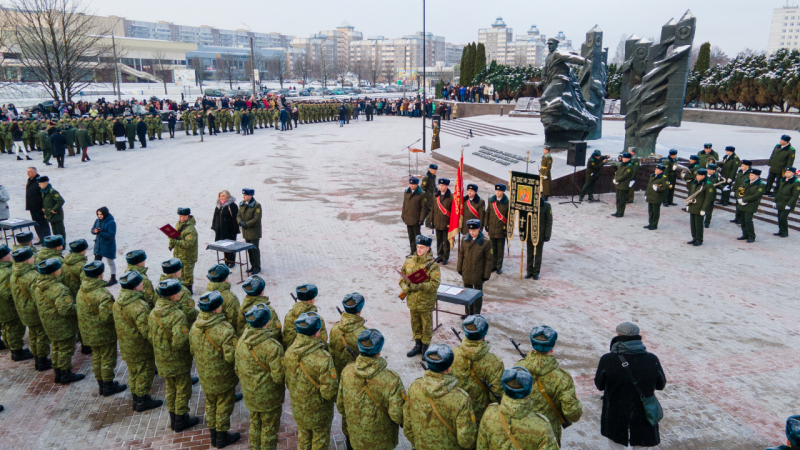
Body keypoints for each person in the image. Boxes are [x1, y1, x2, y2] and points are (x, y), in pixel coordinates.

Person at [594, 322, 666, 449]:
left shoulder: (607, 360)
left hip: (616, 411)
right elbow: (660, 385)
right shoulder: (652, 359)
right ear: (638, 337)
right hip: (643, 412)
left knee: (616, 444)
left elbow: (600, 385)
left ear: (618, 336)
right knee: (642, 443)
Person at [337, 328, 406, 450]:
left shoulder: (347, 371)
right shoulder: (392, 379)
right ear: (379, 352)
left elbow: (340, 405)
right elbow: (398, 415)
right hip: (382, 441)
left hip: (356, 437)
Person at [516, 325, 583, 446]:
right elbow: (573, 414)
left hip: (520, 431)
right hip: (548, 434)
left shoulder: (519, 367)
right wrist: (577, 403)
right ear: (551, 348)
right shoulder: (562, 377)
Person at [190, 291, 241, 448]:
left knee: (211, 404)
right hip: (223, 377)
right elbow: (231, 357)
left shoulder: (195, 327)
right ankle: (222, 437)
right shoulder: (225, 329)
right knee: (224, 406)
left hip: (205, 376)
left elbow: (192, 350)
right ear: (217, 309)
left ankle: (213, 435)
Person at [404, 343, 478, 450]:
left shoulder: (414, 387)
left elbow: (407, 425)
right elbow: (466, 441)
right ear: (448, 369)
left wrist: (418, 444)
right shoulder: (461, 399)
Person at [149, 278, 200, 433]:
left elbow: (150, 335)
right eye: (178, 292)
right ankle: (181, 419)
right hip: (177, 360)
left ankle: (173, 418)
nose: (180, 293)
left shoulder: (154, 312)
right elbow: (180, 342)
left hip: (161, 358)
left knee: (170, 387)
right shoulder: (177, 315)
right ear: (173, 296)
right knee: (183, 388)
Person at [285, 312, 339, 450]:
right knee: (319, 442)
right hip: (319, 413)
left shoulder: (289, 352)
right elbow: (329, 393)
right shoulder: (323, 358)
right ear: (316, 334)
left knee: (304, 439)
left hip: (298, 408)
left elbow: (288, 381)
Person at [235, 304, 285, 450]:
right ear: (267, 322)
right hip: (269, 398)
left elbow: (237, 368)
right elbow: (279, 377)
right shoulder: (273, 347)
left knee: (255, 425)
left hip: (250, 394)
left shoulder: (241, 341)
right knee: (269, 430)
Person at [476, 367, 559, 450]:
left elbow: (481, 447)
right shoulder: (543, 426)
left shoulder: (489, 413)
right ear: (528, 390)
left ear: (504, 387)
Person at [114, 270, 163, 412]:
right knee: (144, 373)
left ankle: (135, 397)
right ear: (136, 287)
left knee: (133, 372)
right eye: (140, 282)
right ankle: (142, 400)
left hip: (126, 345)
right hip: (140, 347)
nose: (143, 284)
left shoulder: (118, 302)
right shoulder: (140, 307)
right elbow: (147, 331)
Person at [77, 260, 127, 397]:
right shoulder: (103, 294)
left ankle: (101, 384)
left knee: (97, 358)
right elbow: (108, 317)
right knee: (107, 359)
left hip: (88, 332)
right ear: (101, 275)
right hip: (103, 334)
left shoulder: (82, 290)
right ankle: (108, 385)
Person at [34, 258, 84, 384]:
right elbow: (66, 310)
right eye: (58, 268)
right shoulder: (59, 289)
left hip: (49, 323)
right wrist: (80, 307)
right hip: (62, 325)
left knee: (56, 347)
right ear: (54, 272)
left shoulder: (39, 286)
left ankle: (58, 373)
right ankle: (65, 374)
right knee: (65, 349)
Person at [450, 315, 503, 423]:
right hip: (481, 415)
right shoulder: (495, 363)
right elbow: (496, 396)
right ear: (484, 335)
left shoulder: (453, 354)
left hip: (457, 410)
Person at [400, 235, 441, 357]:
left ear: (428, 248)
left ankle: (425, 347)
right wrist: (404, 287)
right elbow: (402, 278)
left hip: (425, 302)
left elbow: (435, 284)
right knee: (415, 323)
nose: (419, 249)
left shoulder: (433, 265)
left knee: (426, 326)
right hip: (412, 301)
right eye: (417, 247)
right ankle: (417, 345)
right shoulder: (409, 260)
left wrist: (420, 285)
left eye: (422, 247)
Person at [11, 247, 51, 370]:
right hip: (34, 311)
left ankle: (37, 358)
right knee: (41, 335)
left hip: (23, 311)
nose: (34, 258)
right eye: (32, 257)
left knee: (33, 335)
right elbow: (38, 297)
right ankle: (42, 361)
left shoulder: (14, 274)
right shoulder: (33, 276)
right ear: (27, 260)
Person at [1, 244, 34, 362]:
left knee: (6, 328)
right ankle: (17, 352)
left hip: (2, 307)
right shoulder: (6, 272)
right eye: (8, 254)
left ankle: (11, 347)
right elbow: (7, 293)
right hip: (8, 308)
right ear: (2, 258)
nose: (10, 255)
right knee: (14, 329)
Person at [457, 220, 492, 314]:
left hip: (478, 272)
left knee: (477, 294)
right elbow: (461, 254)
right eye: (470, 230)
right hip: (467, 270)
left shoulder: (486, 242)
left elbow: (489, 260)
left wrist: (486, 275)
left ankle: (476, 314)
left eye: (474, 231)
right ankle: (468, 312)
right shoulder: (464, 239)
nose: (471, 233)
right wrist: (459, 268)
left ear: (479, 229)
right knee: (466, 293)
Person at [329, 292, 367, 378]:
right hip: (354, 376)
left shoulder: (335, 328)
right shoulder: (364, 333)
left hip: (337, 372)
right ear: (360, 310)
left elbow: (331, 351)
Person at [283, 284, 328, 350]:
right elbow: (323, 342)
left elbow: (285, 337)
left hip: (291, 351)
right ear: (311, 300)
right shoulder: (317, 319)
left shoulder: (288, 315)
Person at [204, 263, 245, 337]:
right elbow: (234, 321)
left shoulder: (204, 294)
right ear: (225, 279)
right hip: (223, 335)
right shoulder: (231, 298)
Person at [159, 258, 199, 327]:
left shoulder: (160, 287)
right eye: (180, 270)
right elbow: (190, 313)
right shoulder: (182, 290)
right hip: (179, 324)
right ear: (176, 273)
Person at [169, 207, 198, 293]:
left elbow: (188, 244)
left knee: (187, 275)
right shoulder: (179, 224)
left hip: (188, 256)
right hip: (179, 254)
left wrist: (176, 242)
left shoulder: (191, 230)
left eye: (181, 216)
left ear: (187, 216)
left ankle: (189, 291)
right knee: (179, 274)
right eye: (179, 216)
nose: (179, 218)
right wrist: (171, 242)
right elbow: (174, 235)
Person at [525, 197, 552, 280]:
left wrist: (547, 235)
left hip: (540, 233)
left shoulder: (546, 205)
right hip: (529, 232)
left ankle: (536, 272)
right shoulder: (528, 204)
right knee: (529, 253)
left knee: (538, 254)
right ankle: (529, 271)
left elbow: (549, 221)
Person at [236, 188, 262, 275]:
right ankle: (252, 266)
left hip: (254, 231)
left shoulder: (256, 206)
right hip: (246, 231)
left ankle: (257, 267)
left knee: (254, 250)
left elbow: (256, 219)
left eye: (245, 195)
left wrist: (246, 224)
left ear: (250, 196)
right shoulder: (242, 204)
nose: (243, 196)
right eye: (243, 195)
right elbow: (238, 215)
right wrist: (240, 222)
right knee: (249, 250)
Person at [737, 168, 766, 243]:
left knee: (748, 221)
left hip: (751, 205)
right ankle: (745, 234)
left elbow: (756, 195)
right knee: (742, 220)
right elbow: (740, 189)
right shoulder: (747, 181)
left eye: (752, 175)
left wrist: (744, 200)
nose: (750, 176)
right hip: (742, 204)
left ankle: (751, 236)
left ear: (757, 176)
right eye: (750, 174)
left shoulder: (761, 184)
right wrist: (739, 198)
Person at [212, 190, 240, 267]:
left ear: (227, 196)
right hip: (221, 229)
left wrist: (235, 229)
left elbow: (235, 218)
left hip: (230, 230)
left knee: (230, 245)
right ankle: (226, 260)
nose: (221, 197)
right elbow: (215, 216)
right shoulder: (219, 205)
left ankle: (232, 261)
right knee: (224, 245)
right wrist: (214, 226)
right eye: (220, 196)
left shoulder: (232, 206)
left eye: (223, 196)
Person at [486, 184, 509, 274]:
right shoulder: (491, 201)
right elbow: (488, 213)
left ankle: (499, 266)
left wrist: (508, 229)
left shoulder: (507, 202)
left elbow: (509, 217)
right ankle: (493, 265)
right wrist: (486, 224)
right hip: (492, 228)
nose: (497, 192)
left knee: (500, 249)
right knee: (492, 249)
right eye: (496, 191)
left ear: (503, 192)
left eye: (499, 191)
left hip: (501, 229)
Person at [91, 206, 117, 286]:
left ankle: (113, 278)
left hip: (108, 245)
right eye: (98, 214)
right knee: (96, 262)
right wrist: (94, 231)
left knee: (110, 262)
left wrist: (100, 232)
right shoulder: (97, 220)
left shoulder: (111, 223)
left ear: (105, 214)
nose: (99, 216)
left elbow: (111, 235)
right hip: (99, 245)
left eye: (101, 214)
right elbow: (92, 230)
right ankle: (96, 278)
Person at [401, 177, 425, 255]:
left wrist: (421, 219)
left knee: (417, 237)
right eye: (410, 184)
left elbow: (423, 208)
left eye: (413, 184)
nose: (411, 185)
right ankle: (412, 251)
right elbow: (404, 204)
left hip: (416, 219)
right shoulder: (407, 192)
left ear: (417, 184)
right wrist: (403, 215)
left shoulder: (421, 194)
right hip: (408, 218)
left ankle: (419, 252)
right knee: (411, 237)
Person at [26, 167, 50, 243]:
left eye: (30, 172)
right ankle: (41, 239)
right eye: (27, 172)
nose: (28, 173)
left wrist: (44, 206)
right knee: (36, 224)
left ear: (35, 172)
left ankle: (47, 239)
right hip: (32, 207)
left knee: (43, 224)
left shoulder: (39, 181)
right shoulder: (30, 180)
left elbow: (44, 195)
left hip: (39, 207)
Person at [774, 167, 800, 237]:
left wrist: (789, 204)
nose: (787, 173)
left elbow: (795, 195)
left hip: (787, 202)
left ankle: (785, 232)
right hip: (780, 201)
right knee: (779, 217)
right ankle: (781, 231)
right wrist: (775, 201)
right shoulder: (783, 180)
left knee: (783, 217)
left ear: (793, 173)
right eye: (786, 172)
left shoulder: (796, 182)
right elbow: (778, 191)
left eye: (789, 172)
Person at [432, 179, 453, 264]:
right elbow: (433, 209)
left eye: (443, 186)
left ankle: (445, 257)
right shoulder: (436, 196)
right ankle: (439, 255)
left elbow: (453, 212)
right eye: (440, 185)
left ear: (447, 186)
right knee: (439, 240)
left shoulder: (451, 197)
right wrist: (431, 220)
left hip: (446, 223)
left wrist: (452, 223)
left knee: (446, 241)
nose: (441, 187)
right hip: (437, 221)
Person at [644, 165, 669, 230]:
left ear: (661, 171)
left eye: (657, 170)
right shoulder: (652, 176)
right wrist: (646, 194)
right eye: (655, 169)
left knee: (655, 212)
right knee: (650, 211)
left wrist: (658, 189)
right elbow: (648, 186)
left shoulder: (663, 178)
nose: (655, 170)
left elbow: (666, 188)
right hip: (650, 196)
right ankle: (650, 223)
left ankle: (654, 225)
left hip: (657, 197)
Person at [611, 153, 635, 217]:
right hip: (618, 184)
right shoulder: (622, 164)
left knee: (622, 199)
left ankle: (621, 212)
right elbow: (617, 172)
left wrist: (617, 179)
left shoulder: (629, 166)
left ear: (628, 159)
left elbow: (625, 176)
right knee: (618, 199)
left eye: (624, 158)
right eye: (623, 158)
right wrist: (615, 178)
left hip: (623, 184)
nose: (622, 159)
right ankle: (618, 211)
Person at [730, 159, 752, 225]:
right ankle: (737, 218)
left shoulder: (750, 174)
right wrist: (733, 190)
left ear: (747, 166)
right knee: (737, 205)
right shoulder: (740, 172)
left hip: (744, 192)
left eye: (743, 165)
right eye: (741, 165)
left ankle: (741, 219)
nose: (741, 166)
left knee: (742, 206)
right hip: (738, 191)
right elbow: (736, 182)